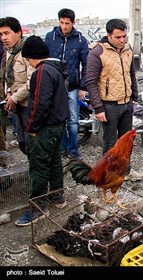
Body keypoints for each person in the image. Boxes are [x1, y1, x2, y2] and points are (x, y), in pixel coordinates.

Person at [15, 35, 70, 226]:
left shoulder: (42, 71)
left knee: (38, 165)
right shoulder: (57, 68)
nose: (28, 63)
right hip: (58, 125)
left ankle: (37, 207)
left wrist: (31, 127)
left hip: (46, 128)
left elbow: (40, 102)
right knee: (54, 160)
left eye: (28, 59)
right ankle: (57, 196)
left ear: (32, 56)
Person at [86, 18, 143, 181]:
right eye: (118, 37)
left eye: (124, 36)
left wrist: (135, 98)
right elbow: (91, 81)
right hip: (109, 106)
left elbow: (131, 74)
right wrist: (98, 107)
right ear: (108, 35)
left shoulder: (127, 49)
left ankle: (126, 170)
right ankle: (109, 175)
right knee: (110, 144)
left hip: (126, 104)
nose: (122, 40)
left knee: (127, 142)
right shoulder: (97, 52)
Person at [45, 8, 89, 160]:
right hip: (55, 87)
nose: (64, 26)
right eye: (62, 23)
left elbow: (86, 64)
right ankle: (62, 148)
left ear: (73, 23)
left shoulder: (80, 40)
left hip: (73, 87)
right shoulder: (50, 37)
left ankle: (73, 150)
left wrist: (83, 87)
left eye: (67, 23)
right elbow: (45, 61)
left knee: (73, 121)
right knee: (59, 119)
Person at [0, 17, 35, 155]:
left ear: (18, 32)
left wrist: (14, 97)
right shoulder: (9, 52)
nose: (3, 38)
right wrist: (8, 93)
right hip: (17, 105)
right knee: (22, 142)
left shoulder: (27, 52)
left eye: (7, 33)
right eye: (1, 34)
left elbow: (31, 81)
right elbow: (9, 78)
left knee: (31, 143)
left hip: (28, 105)